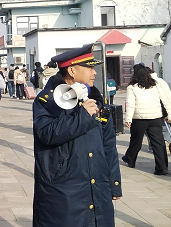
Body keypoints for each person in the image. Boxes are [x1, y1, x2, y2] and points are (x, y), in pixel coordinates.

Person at [33, 44, 122, 226]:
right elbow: (46, 133)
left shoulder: (97, 100)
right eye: (89, 67)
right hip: (64, 188)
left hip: (98, 185)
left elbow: (108, 144)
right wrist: (82, 116)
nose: (94, 72)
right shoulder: (47, 101)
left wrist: (114, 182)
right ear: (72, 70)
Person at [123, 65, 171, 175]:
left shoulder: (132, 87)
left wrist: (128, 119)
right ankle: (162, 168)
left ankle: (130, 160)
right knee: (158, 143)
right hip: (155, 118)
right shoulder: (155, 85)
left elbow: (131, 104)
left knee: (136, 141)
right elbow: (165, 100)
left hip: (139, 119)